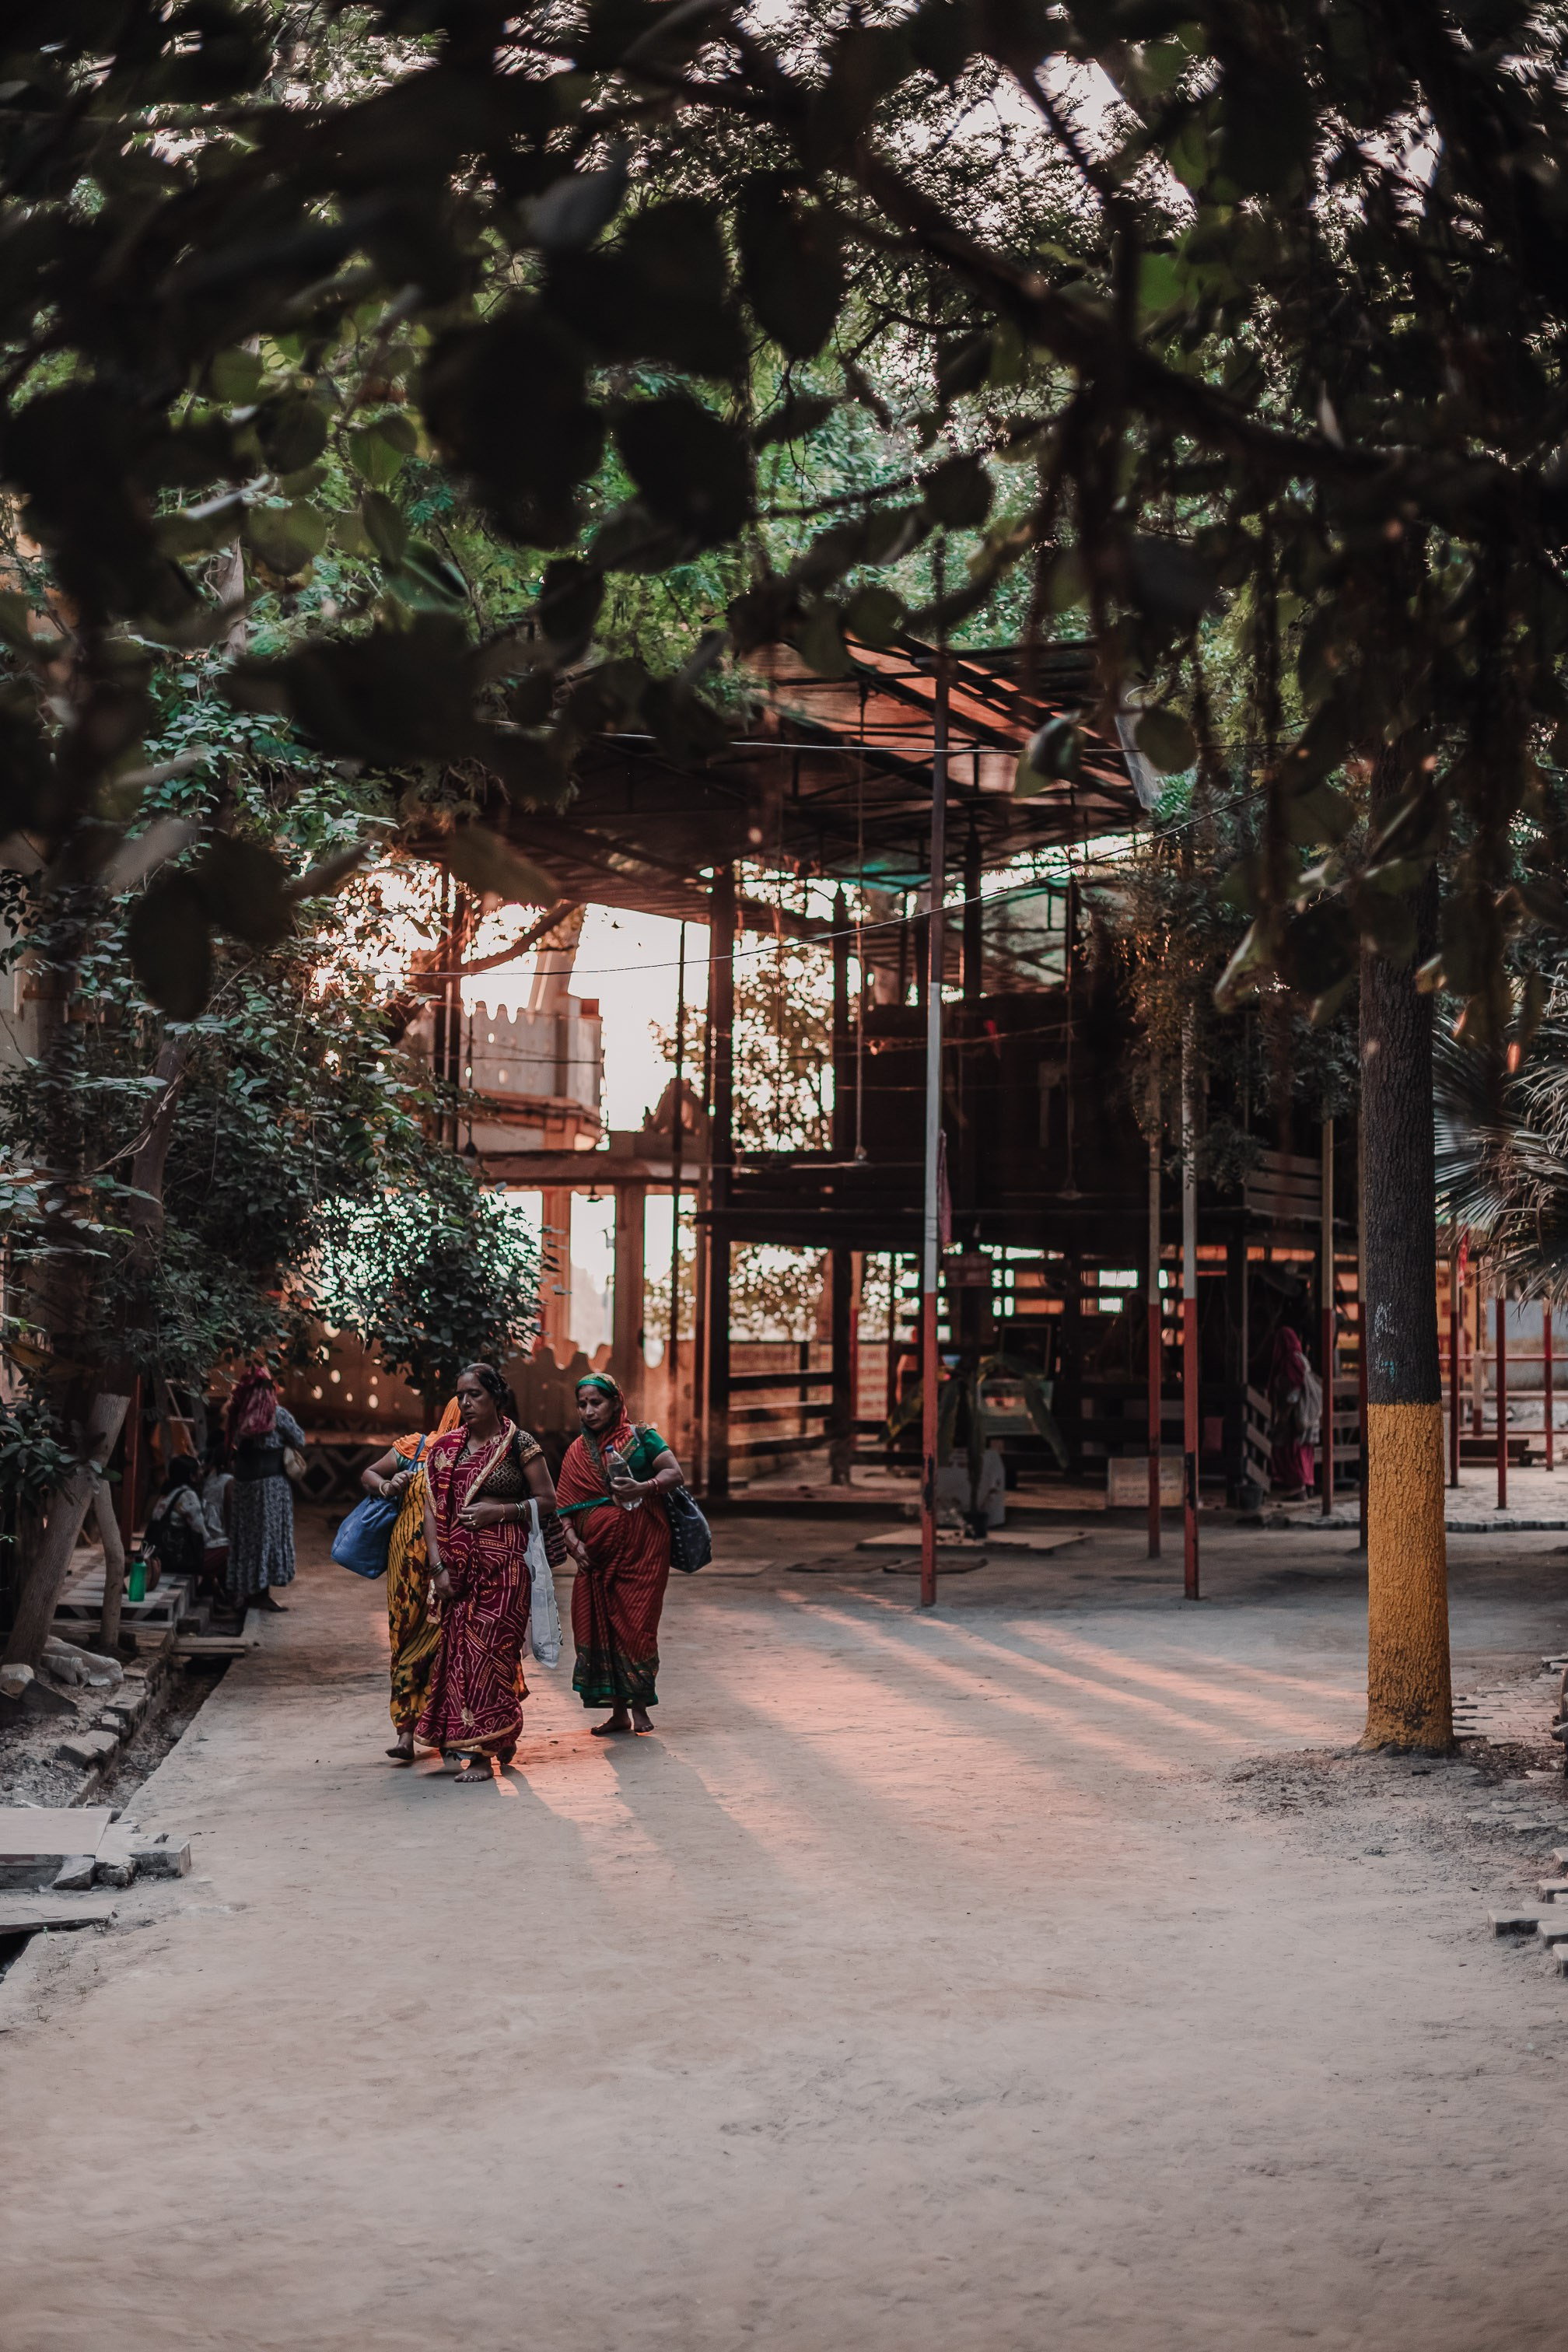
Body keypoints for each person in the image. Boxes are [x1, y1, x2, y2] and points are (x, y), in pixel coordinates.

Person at [417, 1363, 578, 1784]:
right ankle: (498, 1735)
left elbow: (547, 1499)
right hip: (456, 1568)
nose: (466, 1403)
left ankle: (484, 1755)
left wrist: (499, 1511)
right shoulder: (445, 1449)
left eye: (475, 1395)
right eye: (461, 1396)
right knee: (461, 1656)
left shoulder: (518, 1444)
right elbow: (431, 1514)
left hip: (506, 1567)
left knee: (489, 1653)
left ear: (495, 1397)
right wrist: (437, 1567)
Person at [558, 1373, 684, 1736]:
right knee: (602, 1627)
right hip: (592, 1559)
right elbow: (564, 1505)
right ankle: (618, 1713)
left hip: (643, 1552)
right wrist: (573, 1542)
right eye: (582, 1404)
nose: (588, 1411)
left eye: (596, 1402)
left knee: (637, 1625)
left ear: (616, 1402)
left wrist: (643, 1487)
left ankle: (640, 1705)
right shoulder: (575, 1452)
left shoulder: (642, 1437)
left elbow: (674, 1474)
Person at [359, 1396, 461, 1765]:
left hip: (453, 1562)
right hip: (406, 1567)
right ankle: (405, 1732)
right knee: (404, 1641)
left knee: (448, 1643)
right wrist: (388, 1487)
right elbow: (369, 1474)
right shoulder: (414, 1449)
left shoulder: (480, 1456)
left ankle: (448, 1732)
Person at [225, 1369, 307, 1612]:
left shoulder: (238, 1414)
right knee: (267, 1538)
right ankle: (261, 1594)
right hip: (271, 1486)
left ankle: (244, 1591)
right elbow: (300, 1439)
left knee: (246, 1537)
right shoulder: (276, 1414)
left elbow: (232, 1442)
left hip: (244, 1484)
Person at [1269, 1325, 1322, 1500]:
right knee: (1304, 1450)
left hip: (1297, 1413)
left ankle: (1298, 1488)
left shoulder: (1290, 1360)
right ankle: (1307, 1484)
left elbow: (1294, 1389)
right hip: (1307, 1414)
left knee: (1293, 1450)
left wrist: (1285, 1413)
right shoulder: (1301, 1358)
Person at [142, 1457, 207, 1586]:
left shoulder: (168, 1493)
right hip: (177, 1560)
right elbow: (201, 1531)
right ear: (192, 1476)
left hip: (159, 1556)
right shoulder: (188, 1495)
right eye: (199, 1469)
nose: (202, 1473)